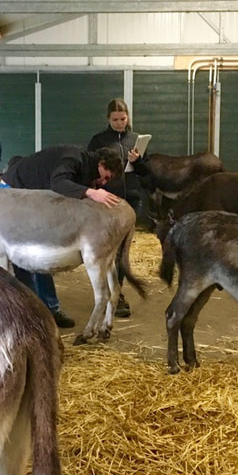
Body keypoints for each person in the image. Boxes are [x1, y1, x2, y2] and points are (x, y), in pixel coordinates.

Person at [0, 144, 124, 327]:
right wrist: (91, 192)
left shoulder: (87, 171)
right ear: (101, 163)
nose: (104, 183)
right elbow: (58, 182)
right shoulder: (74, 158)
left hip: (35, 197)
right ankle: (30, 310)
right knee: (27, 256)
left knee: (42, 258)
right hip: (14, 194)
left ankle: (48, 309)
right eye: (105, 177)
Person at [87, 98, 146, 317]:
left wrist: (138, 161)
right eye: (115, 120)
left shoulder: (136, 139)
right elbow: (90, 168)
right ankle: (104, 292)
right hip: (106, 199)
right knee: (105, 249)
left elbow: (145, 172)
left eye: (123, 119)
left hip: (130, 198)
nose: (120, 123)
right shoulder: (98, 140)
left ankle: (117, 294)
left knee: (121, 250)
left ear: (128, 117)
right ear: (108, 119)